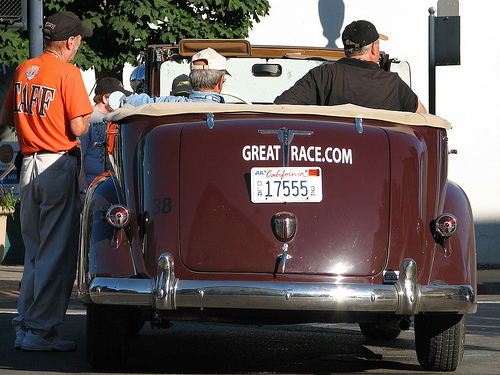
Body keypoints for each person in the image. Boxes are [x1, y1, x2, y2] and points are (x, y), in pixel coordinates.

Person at [0, 11, 93, 351]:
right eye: (78, 39)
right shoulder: (68, 73)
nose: (79, 44)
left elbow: (6, 116)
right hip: (57, 164)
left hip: (28, 166)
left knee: (35, 252)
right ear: (70, 41)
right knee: (56, 253)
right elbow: (79, 127)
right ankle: (40, 331)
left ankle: (25, 325)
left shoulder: (25, 69)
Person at [274, 20, 427, 113]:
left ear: (347, 49)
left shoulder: (323, 75)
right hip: (380, 160)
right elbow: (422, 116)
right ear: (374, 49)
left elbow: (279, 107)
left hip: (334, 158)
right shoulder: (393, 84)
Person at [123, 47, 228, 106]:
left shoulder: (169, 104)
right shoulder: (235, 113)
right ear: (220, 81)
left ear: (191, 81)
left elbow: (129, 102)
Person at [80, 77, 131, 187]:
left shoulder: (114, 119)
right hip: (92, 184)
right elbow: (79, 158)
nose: (122, 102)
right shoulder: (89, 119)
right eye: (119, 98)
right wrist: (83, 190)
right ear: (105, 99)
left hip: (111, 182)